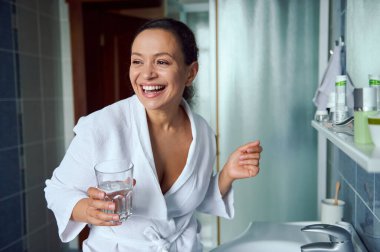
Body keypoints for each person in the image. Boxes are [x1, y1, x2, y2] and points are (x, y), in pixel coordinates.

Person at [45, 18, 262, 252]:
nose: (146, 74)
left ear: (191, 73)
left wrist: (227, 174)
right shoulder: (101, 127)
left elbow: (190, 201)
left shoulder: (202, 134)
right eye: (137, 61)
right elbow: (57, 191)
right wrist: (87, 209)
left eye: (161, 62)